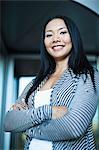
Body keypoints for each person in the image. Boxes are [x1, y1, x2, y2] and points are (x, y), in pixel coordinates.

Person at [4, 15, 99, 150]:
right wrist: (49, 111)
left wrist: (27, 127)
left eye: (63, 32)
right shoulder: (35, 83)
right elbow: (9, 122)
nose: (55, 39)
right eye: (49, 35)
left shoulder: (88, 75)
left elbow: (74, 127)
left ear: (73, 36)